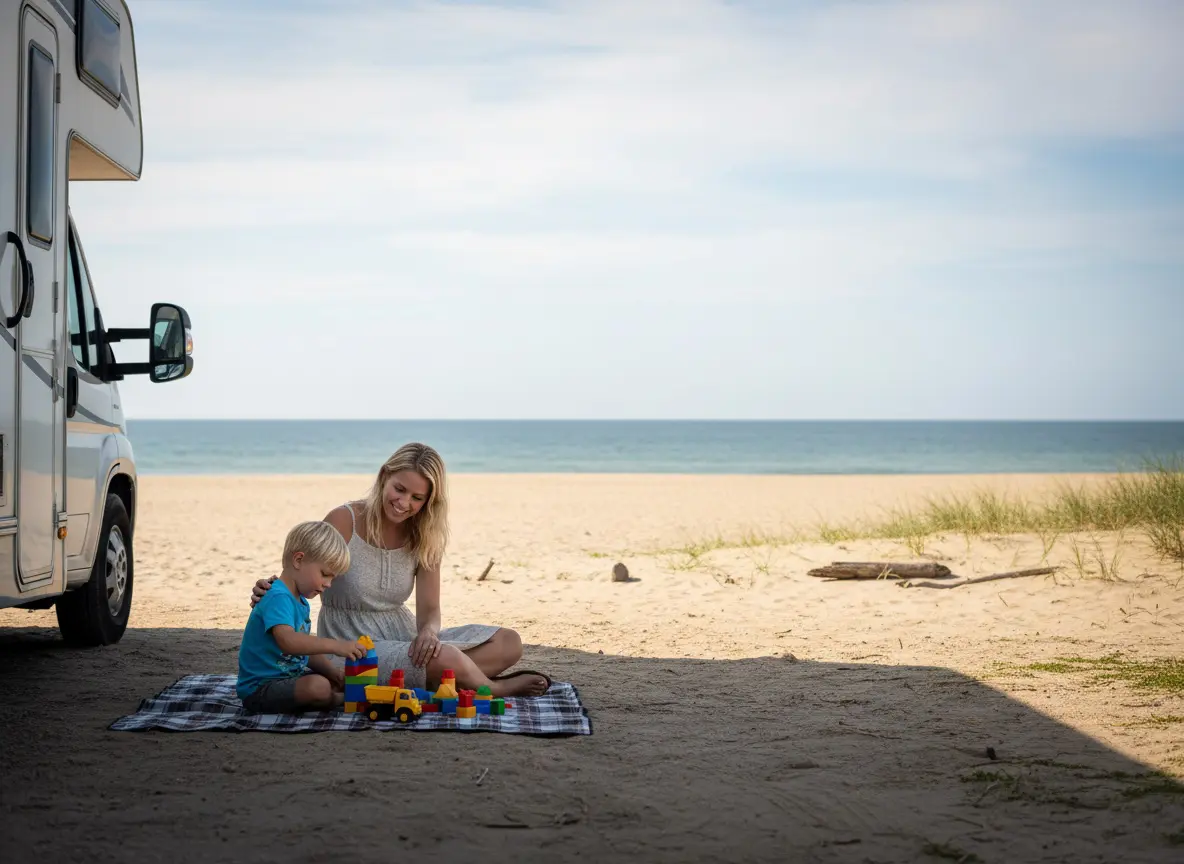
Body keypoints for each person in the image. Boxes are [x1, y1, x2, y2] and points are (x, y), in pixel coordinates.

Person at [250, 442, 550, 700]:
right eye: (400, 489)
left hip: (404, 637)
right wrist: (271, 590)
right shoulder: (344, 520)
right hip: (353, 646)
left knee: (508, 642)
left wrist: (429, 634)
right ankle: (491, 688)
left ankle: (442, 676)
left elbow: (430, 611)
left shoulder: (426, 536)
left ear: (428, 500)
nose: (404, 503)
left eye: (417, 498)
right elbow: (303, 572)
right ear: (384, 476)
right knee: (446, 658)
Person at [237, 521, 369, 714]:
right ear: (298, 560)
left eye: (332, 578)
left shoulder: (299, 601)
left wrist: (335, 674)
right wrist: (337, 645)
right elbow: (288, 642)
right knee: (319, 687)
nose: (328, 584)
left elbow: (304, 652)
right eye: (325, 574)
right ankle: (340, 699)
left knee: (329, 681)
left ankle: (336, 690)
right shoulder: (278, 597)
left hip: (288, 678)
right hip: (260, 689)